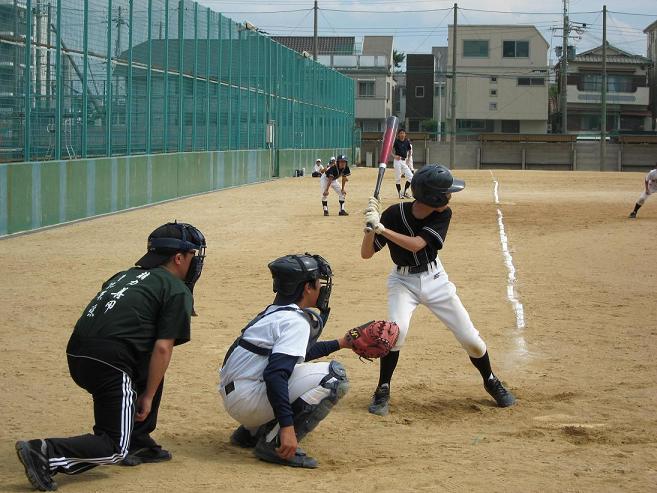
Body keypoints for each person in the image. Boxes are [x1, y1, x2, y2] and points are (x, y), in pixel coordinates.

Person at [15, 222, 207, 491]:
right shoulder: (175, 288)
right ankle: (45, 452)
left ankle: (137, 438)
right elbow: (164, 348)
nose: (195, 261)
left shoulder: (123, 276)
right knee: (114, 447)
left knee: (147, 361)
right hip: (111, 364)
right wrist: (148, 396)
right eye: (192, 255)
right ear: (178, 258)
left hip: (79, 355)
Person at [360, 164, 515, 416]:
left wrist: (382, 229)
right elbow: (366, 253)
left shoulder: (443, 214)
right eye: (446, 193)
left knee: (472, 341)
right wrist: (369, 228)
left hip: (435, 280)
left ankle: (490, 380)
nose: (450, 196)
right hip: (402, 282)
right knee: (396, 333)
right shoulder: (393, 214)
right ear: (433, 197)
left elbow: (416, 245)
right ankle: (382, 388)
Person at [219, 253, 351, 468]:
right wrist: (288, 428)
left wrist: (342, 343)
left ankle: (251, 432)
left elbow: (293, 354)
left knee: (289, 368)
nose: (322, 287)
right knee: (334, 378)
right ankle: (275, 442)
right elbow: (275, 374)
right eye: (318, 282)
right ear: (307, 288)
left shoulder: (274, 313)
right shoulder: (295, 321)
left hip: (238, 395)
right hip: (249, 401)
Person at [392, 129, 414, 199]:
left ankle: (405, 192)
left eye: (403, 133)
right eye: (401, 133)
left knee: (411, 177)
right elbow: (389, 149)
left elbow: (410, 150)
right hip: (397, 161)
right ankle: (400, 193)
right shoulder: (396, 141)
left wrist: (408, 159)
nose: (402, 134)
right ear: (398, 134)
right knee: (398, 177)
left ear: (405, 134)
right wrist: (394, 156)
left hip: (404, 161)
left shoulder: (407, 141)